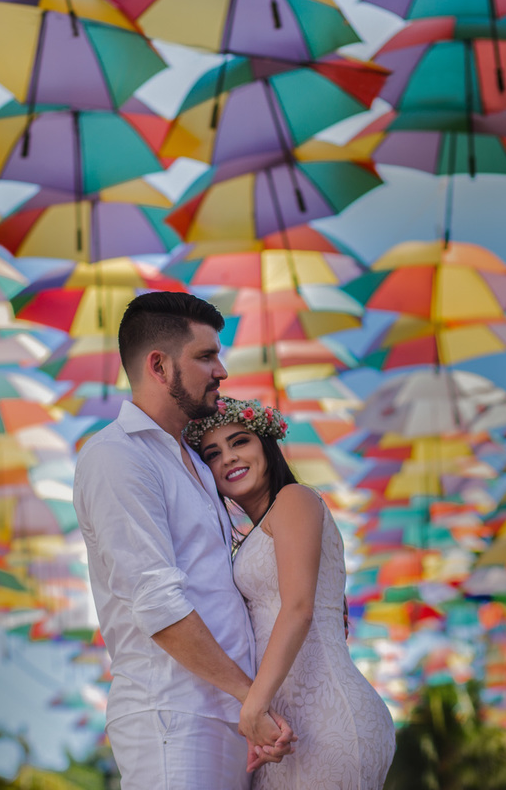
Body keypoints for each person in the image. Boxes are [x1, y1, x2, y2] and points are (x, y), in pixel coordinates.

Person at [72, 292, 294, 790]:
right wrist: (249, 697)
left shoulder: (196, 461)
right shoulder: (116, 457)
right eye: (205, 355)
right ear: (159, 365)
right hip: (172, 715)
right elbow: (156, 601)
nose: (222, 371)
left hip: (227, 716)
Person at [185, 396, 397, 789]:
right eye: (213, 453)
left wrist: (252, 709)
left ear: (266, 444)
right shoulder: (257, 532)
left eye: (240, 441)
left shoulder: (295, 499)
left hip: (326, 717)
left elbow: (299, 609)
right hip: (282, 726)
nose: (228, 458)